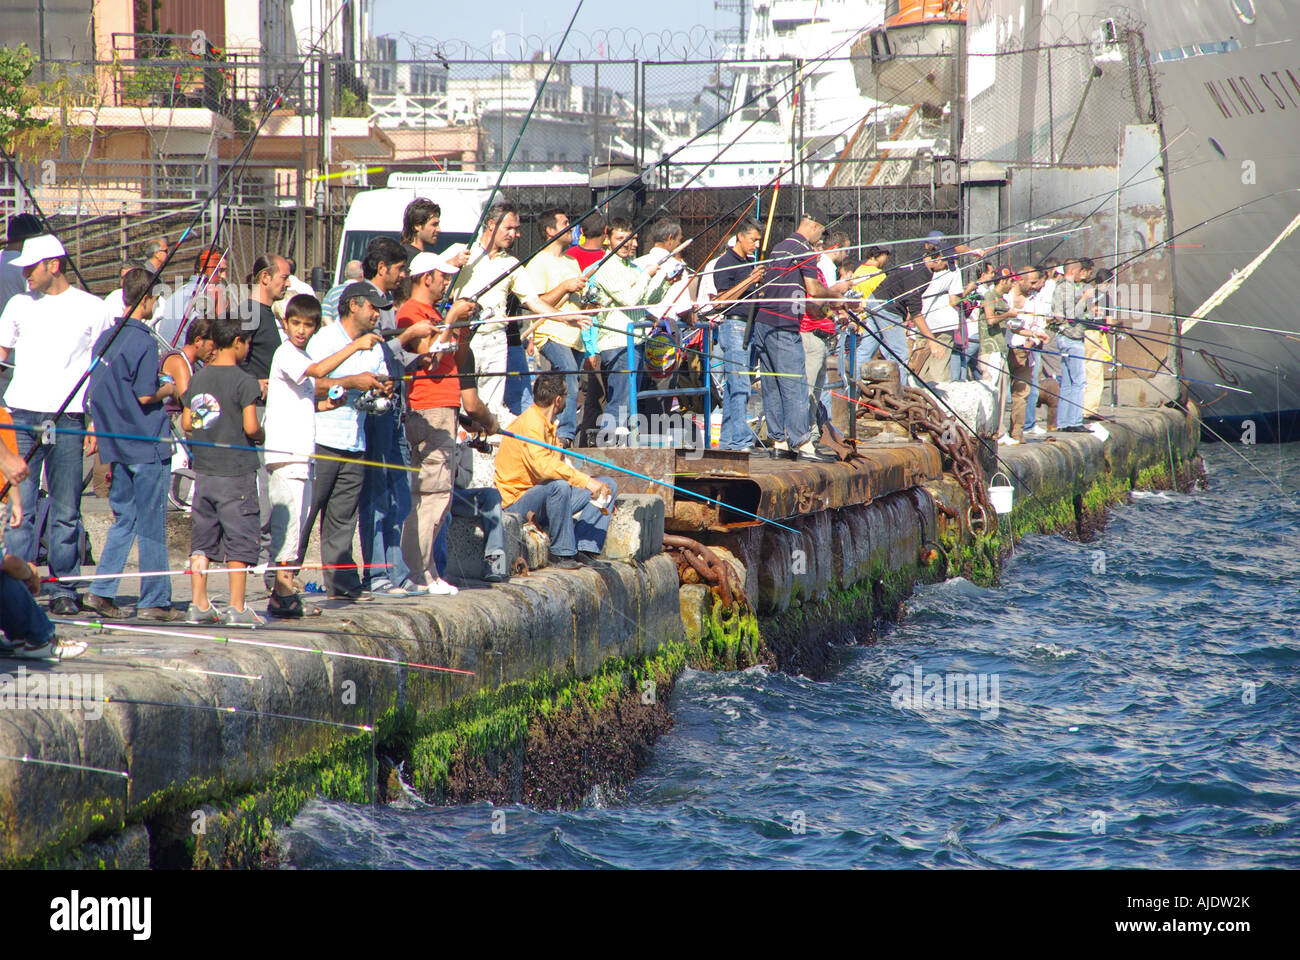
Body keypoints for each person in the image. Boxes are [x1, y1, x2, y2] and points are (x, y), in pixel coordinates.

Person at [0, 234, 110, 616]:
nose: (26, 275)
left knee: (66, 507)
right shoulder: (17, 304)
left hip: (71, 416)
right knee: (21, 508)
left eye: (32, 268)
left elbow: (101, 370)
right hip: (22, 416)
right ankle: (17, 585)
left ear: (54, 265)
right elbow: (1, 356)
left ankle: (64, 586)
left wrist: (94, 420)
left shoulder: (94, 308)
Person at [264, 293, 385, 618]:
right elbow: (317, 372)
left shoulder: (298, 353)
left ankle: (283, 595)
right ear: (285, 323)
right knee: (290, 528)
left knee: (299, 522)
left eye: (307, 325)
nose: (301, 330)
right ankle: (283, 593)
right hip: (287, 455)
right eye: (296, 324)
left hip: (305, 455)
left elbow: (309, 400)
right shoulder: (287, 353)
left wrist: (335, 402)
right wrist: (355, 348)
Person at [84, 268, 179, 621]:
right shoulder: (143, 340)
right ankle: (154, 599)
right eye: (155, 299)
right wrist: (169, 387)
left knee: (124, 519)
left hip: (117, 446)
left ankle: (101, 591)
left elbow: (97, 393)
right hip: (147, 444)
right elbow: (144, 394)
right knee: (151, 521)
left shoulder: (105, 338)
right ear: (147, 300)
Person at [295, 283, 394, 602]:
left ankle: (343, 584)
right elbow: (312, 384)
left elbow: (377, 379)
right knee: (306, 513)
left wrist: (384, 387)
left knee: (342, 519)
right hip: (322, 440)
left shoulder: (375, 346)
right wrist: (352, 382)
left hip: (356, 442)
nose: (377, 314)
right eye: (373, 307)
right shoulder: (325, 339)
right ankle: (282, 578)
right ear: (354, 306)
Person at [396, 250, 479, 596]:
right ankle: (420, 574)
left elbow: (454, 359)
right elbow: (427, 360)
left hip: (445, 406)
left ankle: (427, 571)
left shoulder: (433, 312)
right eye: (442, 276)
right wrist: (452, 319)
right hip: (428, 409)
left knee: (439, 494)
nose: (447, 282)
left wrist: (463, 328)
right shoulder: (411, 313)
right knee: (433, 492)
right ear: (425, 277)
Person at [450, 202, 568, 427]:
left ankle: (487, 454)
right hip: (465, 339)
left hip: (497, 340)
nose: (516, 234)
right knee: (464, 402)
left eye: (517, 228)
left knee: (492, 405)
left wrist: (565, 318)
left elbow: (533, 301)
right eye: (510, 228)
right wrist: (452, 263)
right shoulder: (463, 252)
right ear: (492, 225)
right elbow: (429, 281)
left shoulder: (511, 264)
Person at [180, 315, 265, 624]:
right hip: (236, 473)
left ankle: (199, 604)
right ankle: (237, 607)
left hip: (205, 472)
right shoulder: (246, 381)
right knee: (239, 538)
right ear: (238, 343)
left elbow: (188, 423)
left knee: (202, 538)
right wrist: (260, 436)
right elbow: (251, 426)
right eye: (248, 343)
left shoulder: (199, 379)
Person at [750, 211, 848, 461]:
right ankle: (802, 444)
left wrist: (829, 310)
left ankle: (779, 442)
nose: (820, 240)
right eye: (820, 233)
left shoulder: (779, 248)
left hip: (763, 323)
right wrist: (837, 295)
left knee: (771, 384)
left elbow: (801, 298)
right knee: (794, 384)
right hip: (783, 327)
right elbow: (814, 291)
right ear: (813, 226)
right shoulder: (805, 250)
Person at [359, 237, 425, 597]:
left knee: (398, 493)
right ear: (382, 268)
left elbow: (389, 356)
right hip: (377, 410)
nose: (403, 276)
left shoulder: (384, 305)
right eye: (400, 269)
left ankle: (397, 572)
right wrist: (409, 337)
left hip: (396, 407)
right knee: (378, 494)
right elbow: (375, 353)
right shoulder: (367, 301)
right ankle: (378, 573)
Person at [495, 373, 617, 570]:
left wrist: (589, 483)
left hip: (545, 498)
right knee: (558, 486)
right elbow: (544, 469)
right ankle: (562, 552)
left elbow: (556, 466)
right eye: (567, 395)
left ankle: (584, 548)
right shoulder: (531, 423)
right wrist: (586, 481)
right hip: (517, 503)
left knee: (608, 485)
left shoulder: (548, 425)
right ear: (558, 400)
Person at [587, 217, 668, 439]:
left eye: (629, 239)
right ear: (608, 239)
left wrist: (665, 281)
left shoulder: (632, 267)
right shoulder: (605, 268)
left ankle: (621, 442)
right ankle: (609, 441)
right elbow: (630, 299)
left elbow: (645, 301)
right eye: (619, 239)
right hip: (617, 342)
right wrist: (646, 275)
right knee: (621, 397)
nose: (626, 244)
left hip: (637, 341)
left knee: (630, 396)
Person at [526, 208, 589, 449]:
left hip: (576, 336)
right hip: (550, 333)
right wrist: (564, 286)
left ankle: (549, 428)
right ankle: (566, 435)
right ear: (550, 230)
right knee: (570, 377)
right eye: (565, 223)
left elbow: (579, 298)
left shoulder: (572, 261)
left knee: (560, 385)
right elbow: (537, 303)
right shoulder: (538, 262)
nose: (571, 227)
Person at [709, 221, 766, 451]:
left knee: (736, 386)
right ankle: (741, 440)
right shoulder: (726, 262)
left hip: (749, 327)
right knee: (740, 384)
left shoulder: (747, 263)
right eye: (753, 239)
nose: (757, 244)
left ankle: (729, 441)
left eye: (758, 240)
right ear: (740, 237)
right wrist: (750, 281)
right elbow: (721, 301)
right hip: (735, 328)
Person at [800, 230, 850, 441]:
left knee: (818, 391)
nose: (820, 250)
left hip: (823, 339)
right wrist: (836, 291)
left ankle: (812, 433)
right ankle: (803, 435)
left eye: (821, 245)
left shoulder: (818, 273)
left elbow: (823, 307)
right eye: (817, 246)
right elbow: (812, 306)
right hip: (809, 336)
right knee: (808, 390)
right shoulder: (810, 275)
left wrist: (835, 313)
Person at [976, 266, 1018, 443]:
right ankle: (987, 431)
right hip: (990, 350)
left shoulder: (1002, 299)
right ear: (1002, 281)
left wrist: (1033, 333)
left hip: (1001, 350)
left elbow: (1007, 324)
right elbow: (990, 319)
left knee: (1001, 395)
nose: (1012, 285)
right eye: (1010, 282)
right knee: (990, 392)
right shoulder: (989, 296)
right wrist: (1008, 314)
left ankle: (1000, 433)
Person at [153, 249, 228, 348]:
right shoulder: (197, 296)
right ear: (204, 269)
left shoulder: (182, 291)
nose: (224, 276)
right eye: (219, 271)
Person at [1051, 258, 1092, 432]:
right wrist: (1084, 298)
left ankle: (1063, 423)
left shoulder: (1065, 287)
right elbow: (1071, 316)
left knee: (1067, 383)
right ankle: (1074, 422)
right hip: (1071, 339)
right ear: (1073, 271)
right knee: (1079, 382)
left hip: (1066, 339)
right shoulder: (1065, 288)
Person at [917, 252, 964, 384]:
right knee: (939, 366)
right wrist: (966, 293)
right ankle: (938, 399)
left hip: (922, 322)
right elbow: (954, 301)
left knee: (921, 366)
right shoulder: (954, 270)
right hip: (944, 323)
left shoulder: (921, 268)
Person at [321, 260, 363, 326]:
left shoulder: (332, 292)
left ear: (345, 274)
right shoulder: (366, 292)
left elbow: (325, 316)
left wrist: (336, 332)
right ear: (362, 274)